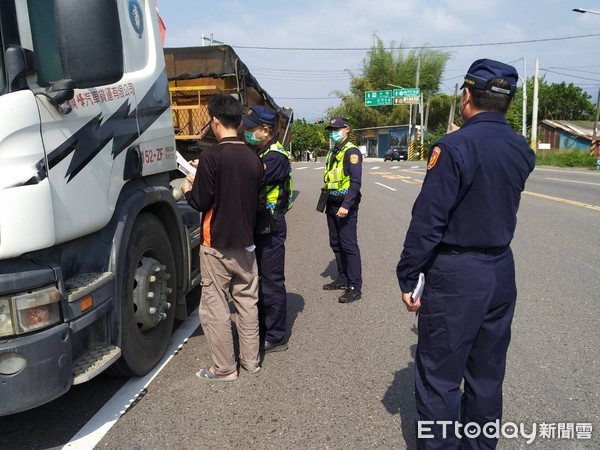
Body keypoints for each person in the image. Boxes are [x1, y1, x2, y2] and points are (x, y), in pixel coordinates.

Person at [396, 59, 535, 449]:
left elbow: (428, 221)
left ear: (467, 96)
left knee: (439, 380)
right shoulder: (520, 148)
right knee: (487, 377)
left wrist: (409, 276)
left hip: (457, 275)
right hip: (500, 271)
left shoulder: (454, 147)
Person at [180, 93, 264, 381]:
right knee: (247, 303)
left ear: (215, 122)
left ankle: (225, 368)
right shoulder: (254, 159)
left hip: (215, 244)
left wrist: (190, 184)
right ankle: (251, 363)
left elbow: (202, 202)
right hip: (247, 244)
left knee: (215, 307)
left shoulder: (211, 157)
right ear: (239, 123)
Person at [242, 105, 293, 353]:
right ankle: (263, 327)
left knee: (271, 282)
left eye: (251, 128)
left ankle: (276, 335)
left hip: (271, 226)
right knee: (259, 280)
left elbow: (254, 182)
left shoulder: (276, 157)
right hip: (260, 224)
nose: (247, 132)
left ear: (265, 129)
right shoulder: (261, 152)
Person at [322, 116, 363, 303]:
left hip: (345, 205)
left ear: (347, 129)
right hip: (331, 202)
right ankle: (342, 278)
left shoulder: (351, 152)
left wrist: (346, 205)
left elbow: (355, 183)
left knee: (349, 245)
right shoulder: (333, 151)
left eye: (337, 129)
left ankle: (355, 286)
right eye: (331, 130)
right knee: (336, 243)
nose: (333, 132)